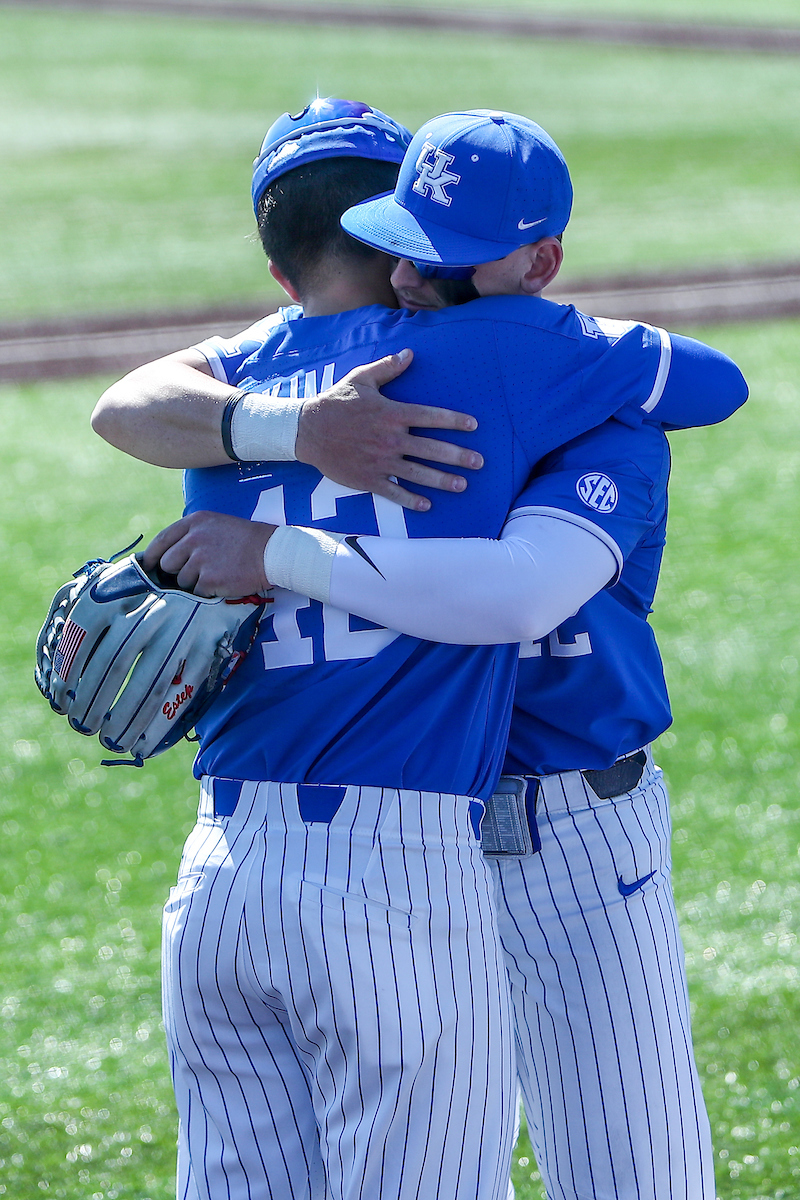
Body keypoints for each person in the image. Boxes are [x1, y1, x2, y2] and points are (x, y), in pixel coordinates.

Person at [93, 103, 748, 1200]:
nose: (407, 277)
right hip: (423, 844)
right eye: (400, 245)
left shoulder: (253, 380)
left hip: (536, 830)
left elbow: (121, 405)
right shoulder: (532, 359)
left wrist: (274, 524)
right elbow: (712, 383)